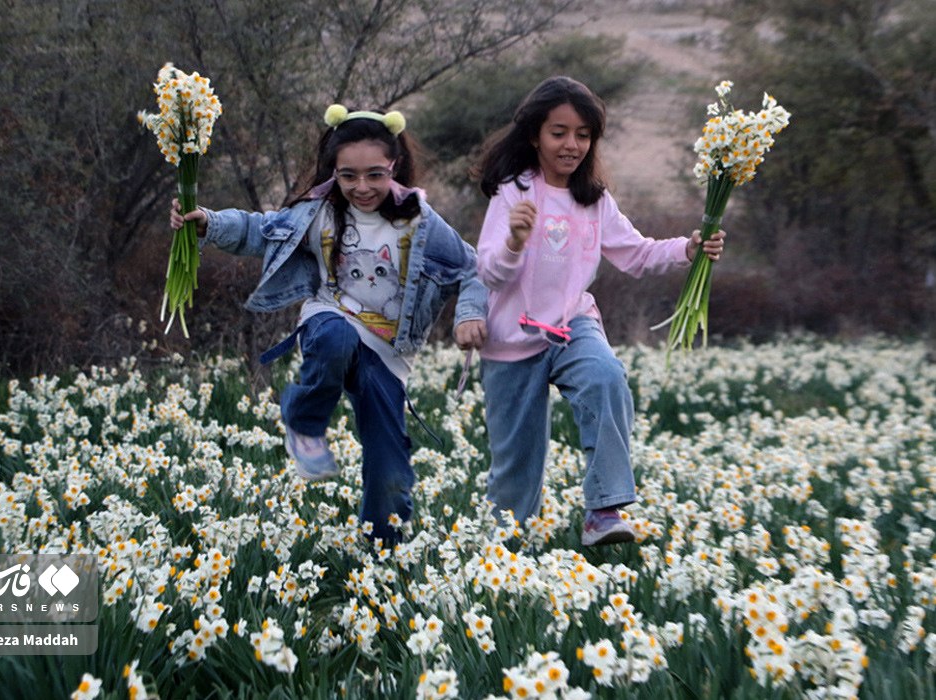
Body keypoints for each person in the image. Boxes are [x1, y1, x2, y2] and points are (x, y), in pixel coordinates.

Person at [170, 105, 487, 545]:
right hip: (330, 319)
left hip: (388, 356)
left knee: (391, 468)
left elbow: (472, 268)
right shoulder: (317, 211)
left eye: (375, 175)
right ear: (333, 171)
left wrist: (470, 314)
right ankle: (305, 422)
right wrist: (210, 222)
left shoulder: (419, 219)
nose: (362, 187)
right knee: (337, 337)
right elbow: (261, 229)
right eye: (348, 176)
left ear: (395, 167)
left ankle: (382, 552)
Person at [473, 76, 725, 547]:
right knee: (515, 469)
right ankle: (505, 553)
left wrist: (688, 250)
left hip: (572, 324)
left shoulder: (594, 199)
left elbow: (637, 254)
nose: (571, 145)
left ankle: (604, 510)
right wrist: (514, 242)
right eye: (559, 132)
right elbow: (489, 273)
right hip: (510, 340)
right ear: (535, 135)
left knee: (606, 376)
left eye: (583, 135)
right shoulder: (513, 192)